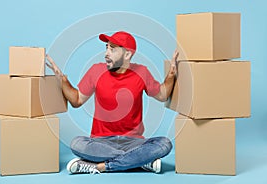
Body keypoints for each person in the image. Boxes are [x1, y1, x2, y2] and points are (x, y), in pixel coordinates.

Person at [46, 31, 178, 174]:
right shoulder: (96, 70)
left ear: (127, 54)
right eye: (106, 48)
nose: (106, 54)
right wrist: (62, 79)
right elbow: (76, 100)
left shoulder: (142, 72)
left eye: (112, 49)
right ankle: (139, 161)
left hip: (133, 142)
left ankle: (100, 166)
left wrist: (171, 74)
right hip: (101, 142)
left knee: (164, 144)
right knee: (77, 144)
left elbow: (163, 95)